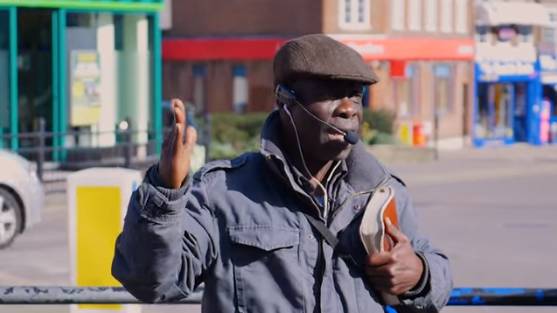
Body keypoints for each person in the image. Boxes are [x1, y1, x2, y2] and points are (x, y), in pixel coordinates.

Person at [112, 34, 452, 313]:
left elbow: (436, 282)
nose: (348, 108)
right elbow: (150, 282)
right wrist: (164, 193)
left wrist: (419, 275)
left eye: (355, 95)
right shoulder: (223, 192)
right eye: (330, 94)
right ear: (285, 101)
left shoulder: (381, 191)